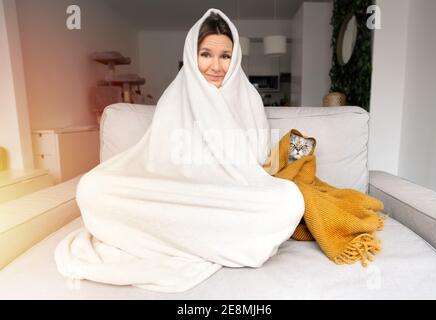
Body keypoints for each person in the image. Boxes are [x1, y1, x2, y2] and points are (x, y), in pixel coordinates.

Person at [54, 8, 304, 293]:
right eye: (206, 54)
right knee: (91, 187)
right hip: (176, 194)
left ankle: (179, 236)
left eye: (225, 56)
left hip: (226, 197)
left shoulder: (249, 98)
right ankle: (205, 239)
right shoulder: (175, 95)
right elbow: (159, 160)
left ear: (235, 59)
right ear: (192, 54)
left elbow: (254, 165)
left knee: (289, 200)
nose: (216, 66)